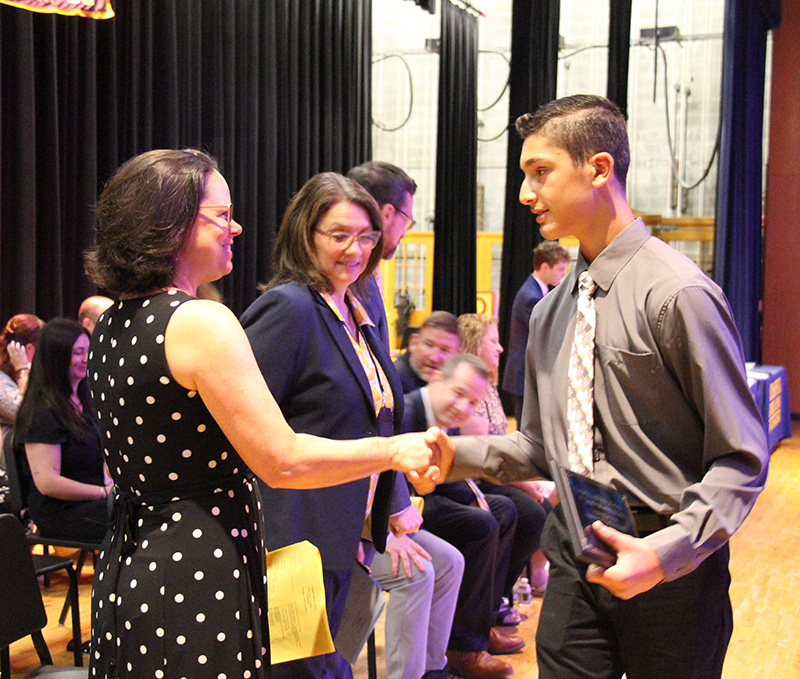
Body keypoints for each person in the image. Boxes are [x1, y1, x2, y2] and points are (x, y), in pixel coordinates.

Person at [441, 95, 769, 679]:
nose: (524, 193)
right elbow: (542, 447)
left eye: (540, 172)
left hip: (668, 559)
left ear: (598, 169)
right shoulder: (552, 311)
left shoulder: (678, 294)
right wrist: (451, 455)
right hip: (573, 545)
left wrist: (670, 553)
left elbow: (741, 459)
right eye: (525, 175)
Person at [83, 150, 444, 679]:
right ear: (171, 224)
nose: (236, 226)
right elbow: (281, 458)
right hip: (202, 563)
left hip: (134, 559)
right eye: (221, 215)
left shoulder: (113, 321)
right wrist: (393, 451)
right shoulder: (202, 321)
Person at [241, 172, 427, 678]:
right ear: (306, 234)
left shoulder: (352, 310)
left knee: (325, 666)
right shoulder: (291, 307)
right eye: (339, 235)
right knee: (303, 671)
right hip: (293, 535)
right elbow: (241, 423)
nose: (356, 249)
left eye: (366, 236)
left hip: (343, 531)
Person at [348, 160, 464, 679]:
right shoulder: (297, 304)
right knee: (417, 572)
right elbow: (342, 424)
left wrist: (392, 508)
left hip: (368, 497)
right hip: (331, 509)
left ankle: (432, 669)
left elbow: (378, 415)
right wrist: (376, 520)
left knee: (448, 561)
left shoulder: (366, 284)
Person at [405, 354, 528, 679]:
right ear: (436, 380)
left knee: (505, 510)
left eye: (472, 401)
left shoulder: (448, 416)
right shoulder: (407, 411)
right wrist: (474, 504)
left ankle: (482, 621)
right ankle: (463, 645)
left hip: (432, 496)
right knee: (480, 523)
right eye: (458, 393)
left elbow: (451, 479)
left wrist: (477, 500)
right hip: (403, 506)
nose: (463, 406)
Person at [458, 313, 552, 596]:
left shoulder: (489, 384)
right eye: (494, 341)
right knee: (532, 514)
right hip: (475, 477)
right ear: (474, 344)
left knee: (551, 498)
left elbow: (503, 439)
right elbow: (480, 454)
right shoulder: (466, 385)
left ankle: (517, 583)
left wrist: (529, 475)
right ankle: (496, 595)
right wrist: (523, 482)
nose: (501, 348)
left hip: (496, 471)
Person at [13, 318, 110, 541]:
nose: (86, 359)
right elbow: (48, 483)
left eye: (88, 351)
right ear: (57, 357)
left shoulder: (85, 401)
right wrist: (104, 493)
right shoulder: (42, 412)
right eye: (78, 352)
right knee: (134, 519)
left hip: (92, 501)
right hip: (61, 511)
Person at [501, 241, 570, 424]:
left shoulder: (537, 290)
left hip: (525, 372)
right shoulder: (531, 296)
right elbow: (544, 333)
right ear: (545, 267)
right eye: (560, 270)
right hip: (522, 374)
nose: (563, 275)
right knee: (526, 430)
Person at [1, 314, 44, 448]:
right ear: (30, 349)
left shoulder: (38, 373)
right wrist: (22, 370)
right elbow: (25, 413)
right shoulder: (2, 380)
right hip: (8, 459)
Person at [394, 310, 461, 394]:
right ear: (413, 343)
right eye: (429, 345)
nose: (434, 358)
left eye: (445, 350)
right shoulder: (392, 383)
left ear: (458, 355)